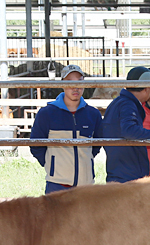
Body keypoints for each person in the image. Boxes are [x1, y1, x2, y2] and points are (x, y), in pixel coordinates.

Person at [30, 64, 103, 193]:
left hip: (85, 186)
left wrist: (85, 162)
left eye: (79, 82)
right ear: (62, 84)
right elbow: (36, 145)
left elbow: (97, 144)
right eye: (70, 82)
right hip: (57, 185)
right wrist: (51, 165)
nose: (75, 87)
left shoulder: (93, 114)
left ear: (84, 84)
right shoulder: (47, 113)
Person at [103, 66, 150, 183]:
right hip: (128, 174)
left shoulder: (117, 103)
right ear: (146, 89)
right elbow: (129, 130)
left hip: (117, 170)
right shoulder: (128, 105)